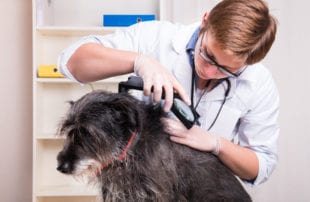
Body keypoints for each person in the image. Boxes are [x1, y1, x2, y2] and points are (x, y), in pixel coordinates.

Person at [58, 0, 279, 186]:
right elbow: (71, 63)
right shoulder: (155, 37)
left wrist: (217, 144)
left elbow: (260, 166)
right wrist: (138, 61)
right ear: (205, 21)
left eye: (226, 70)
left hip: (205, 190)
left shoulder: (258, 83)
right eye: (208, 55)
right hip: (137, 185)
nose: (209, 70)